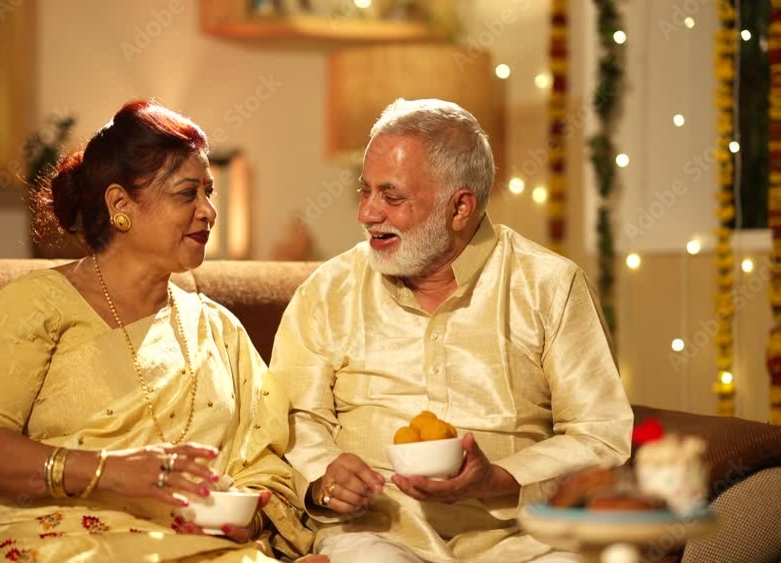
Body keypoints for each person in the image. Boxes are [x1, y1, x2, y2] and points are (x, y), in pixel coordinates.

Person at [0, 100, 320, 563]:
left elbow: (264, 461)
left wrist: (251, 514)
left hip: (200, 544)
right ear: (120, 204)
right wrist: (107, 472)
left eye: (209, 192)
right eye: (187, 194)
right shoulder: (37, 303)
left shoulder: (218, 329)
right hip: (52, 539)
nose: (208, 212)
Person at [272, 98, 634, 563]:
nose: (367, 213)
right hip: (376, 537)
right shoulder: (329, 289)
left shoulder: (550, 284)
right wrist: (324, 479)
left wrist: (499, 479)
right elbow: (294, 418)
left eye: (391, 196)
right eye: (365, 191)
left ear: (460, 207)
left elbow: (600, 435)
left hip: (525, 543)